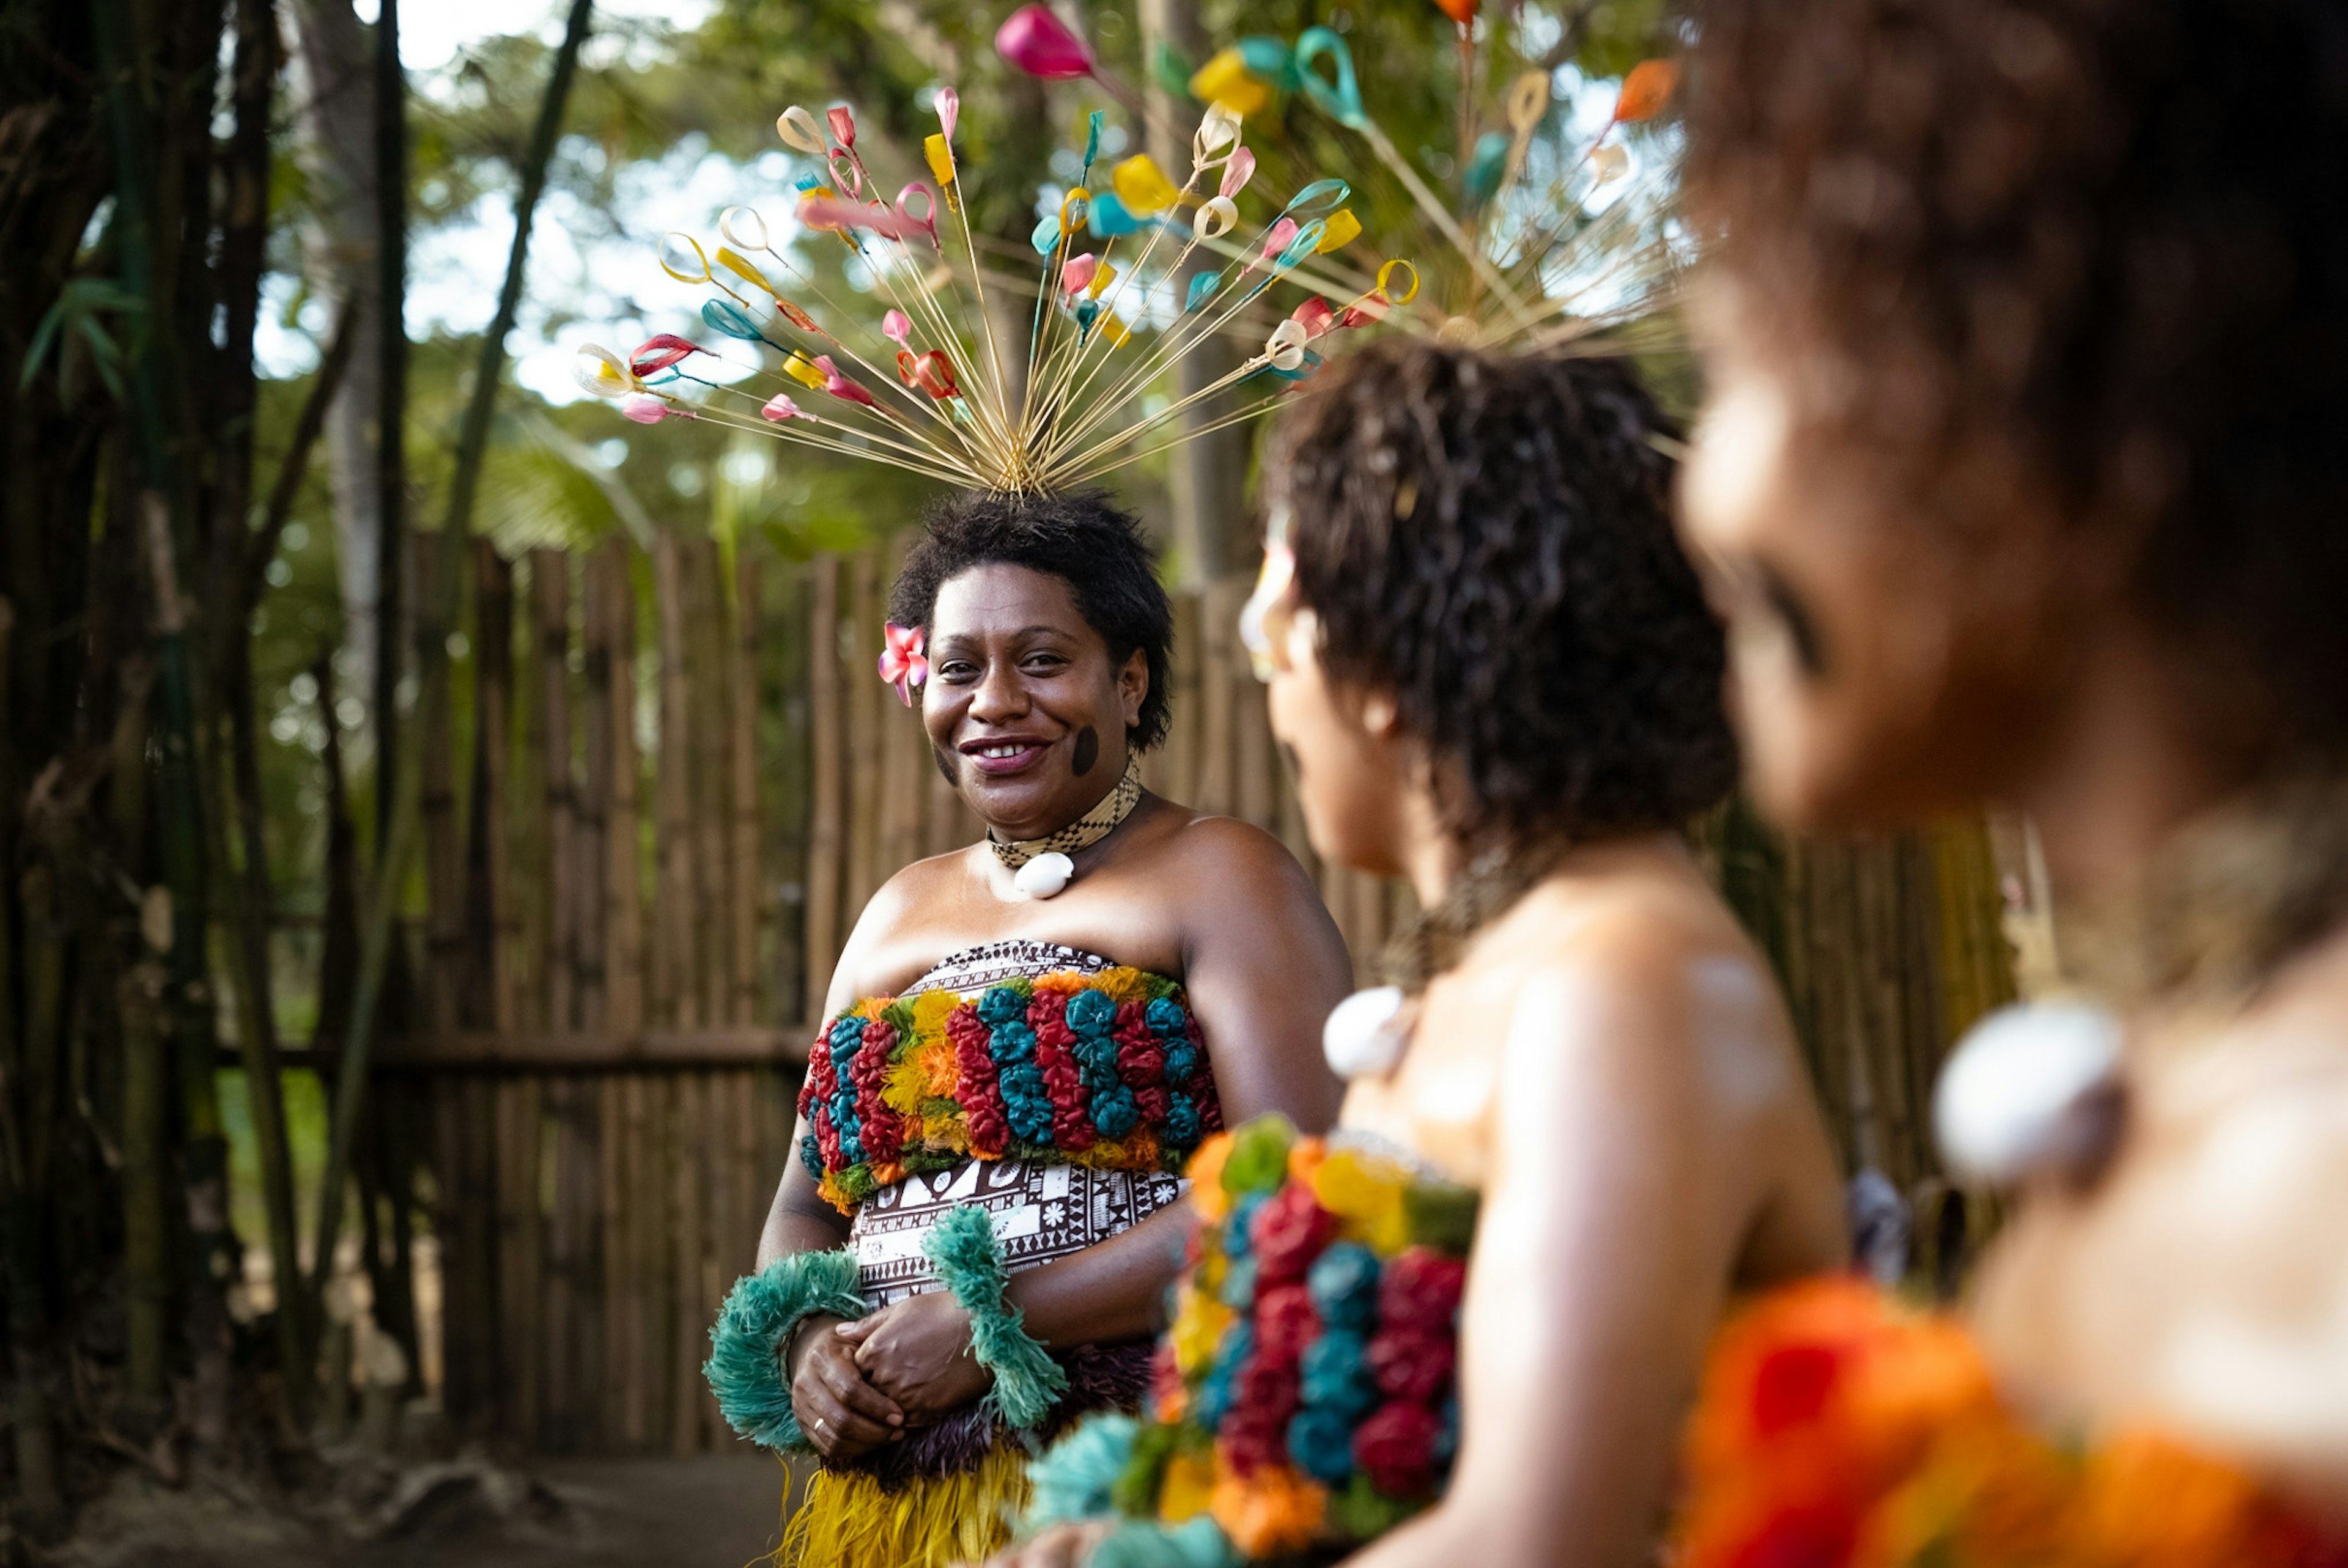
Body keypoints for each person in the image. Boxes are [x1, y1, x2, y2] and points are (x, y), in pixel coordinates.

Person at [991, 337, 1847, 1567]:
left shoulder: (1622, 981)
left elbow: (1534, 1542)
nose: (1270, 679)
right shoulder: (1505, 967)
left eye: (1279, 633)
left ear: (1386, 664)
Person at [1676, 0, 2348, 1522]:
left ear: (2001, 374)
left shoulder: (2308, 1182)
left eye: (1739, 360)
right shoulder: (2194, 1085)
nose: (1705, 498)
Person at [707, 490, 1351, 1568]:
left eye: (1042, 661)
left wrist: (991, 1321)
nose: (993, 703)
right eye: (959, 668)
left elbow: (1292, 1185)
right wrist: (813, 1336)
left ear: (1129, 680)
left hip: (1123, 1477)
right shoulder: (895, 913)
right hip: (894, 1499)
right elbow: (802, 1202)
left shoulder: (1219, 874)